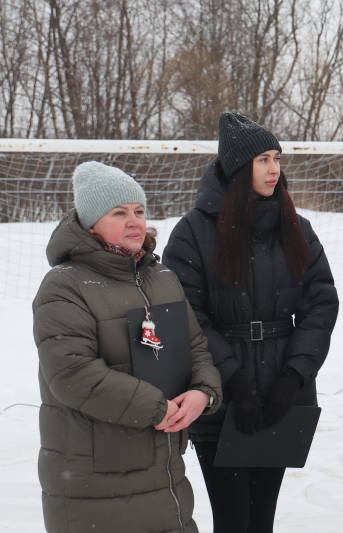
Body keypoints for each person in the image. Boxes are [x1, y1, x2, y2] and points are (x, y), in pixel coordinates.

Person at [162, 112, 338, 533]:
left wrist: (293, 376)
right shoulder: (193, 232)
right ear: (239, 168)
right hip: (219, 394)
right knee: (232, 519)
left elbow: (320, 304)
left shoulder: (296, 227)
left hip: (282, 391)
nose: (274, 168)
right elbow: (186, 313)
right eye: (263, 160)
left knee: (261, 520)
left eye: (277, 158)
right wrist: (234, 380)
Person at [32, 161, 222, 533]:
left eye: (139, 211)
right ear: (90, 224)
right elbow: (72, 373)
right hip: (96, 476)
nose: (134, 221)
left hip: (164, 468)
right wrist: (156, 408)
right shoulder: (64, 285)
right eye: (119, 213)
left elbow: (196, 347)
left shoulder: (162, 277)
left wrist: (204, 391)